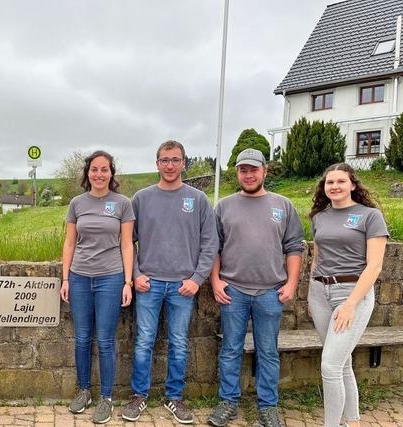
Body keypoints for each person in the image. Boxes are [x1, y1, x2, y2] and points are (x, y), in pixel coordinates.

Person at [121, 140, 218, 424]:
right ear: (157, 164)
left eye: (176, 160)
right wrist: (136, 274)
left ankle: (174, 398)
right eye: (165, 160)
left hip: (182, 287)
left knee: (178, 343)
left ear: (184, 163)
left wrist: (198, 279)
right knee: (143, 342)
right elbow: (128, 242)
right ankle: (139, 397)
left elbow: (210, 243)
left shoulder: (198, 199)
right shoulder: (141, 198)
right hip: (148, 285)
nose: (170, 165)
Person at [208, 148, 304, 427]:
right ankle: (227, 402)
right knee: (230, 350)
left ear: (264, 171)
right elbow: (215, 247)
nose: (248, 175)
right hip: (233, 291)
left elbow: (294, 248)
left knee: (268, 351)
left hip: (271, 292)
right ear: (237, 173)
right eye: (242, 170)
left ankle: (268, 406)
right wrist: (215, 280)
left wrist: (292, 283)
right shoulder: (223, 206)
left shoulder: (283, 205)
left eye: (253, 169)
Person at [307, 163, 387, 427]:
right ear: (324, 187)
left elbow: (374, 265)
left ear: (353, 184)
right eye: (330, 182)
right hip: (320, 293)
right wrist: (311, 292)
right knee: (341, 363)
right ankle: (352, 421)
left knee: (329, 365)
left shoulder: (370, 216)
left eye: (341, 181)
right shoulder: (319, 217)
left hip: (352, 294)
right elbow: (316, 257)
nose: (335, 186)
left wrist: (351, 304)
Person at [60, 151, 135, 424]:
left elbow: (127, 245)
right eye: (94, 169)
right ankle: (84, 391)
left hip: (111, 278)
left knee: (104, 340)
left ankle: (106, 397)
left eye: (104, 169)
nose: (99, 174)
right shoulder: (77, 203)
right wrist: (65, 278)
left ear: (111, 173)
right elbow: (69, 243)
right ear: (87, 173)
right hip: (79, 277)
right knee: (81, 338)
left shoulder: (123, 204)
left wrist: (128, 282)